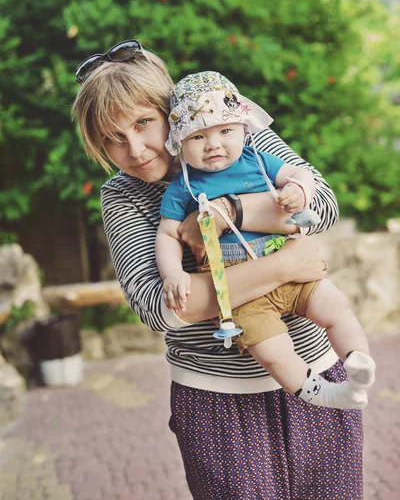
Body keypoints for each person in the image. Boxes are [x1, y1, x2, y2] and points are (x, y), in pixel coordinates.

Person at [72, 39, 365, 499]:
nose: (136, 149)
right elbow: (161, 309)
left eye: (144, 123)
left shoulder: (234, 126)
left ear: (170, 110)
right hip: (217, 399)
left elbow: (321, 205)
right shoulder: (123, 196)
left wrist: (231, 209)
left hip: (317, 370)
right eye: (113, 138)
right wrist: (286, 263)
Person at [156, 70, 375, 411]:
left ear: (244, 129)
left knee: (336, 308)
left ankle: (358, 364)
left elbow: (301, 174)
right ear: (180, 144)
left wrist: (298, 190)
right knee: (273, 352)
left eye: (225, 131)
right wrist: (172, 273)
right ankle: (325, 393)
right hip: (240, 294)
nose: (214, 144)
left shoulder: (256, 159)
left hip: (290, 269)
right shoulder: (184, 185)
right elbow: (169, 232)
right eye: (198, 136)